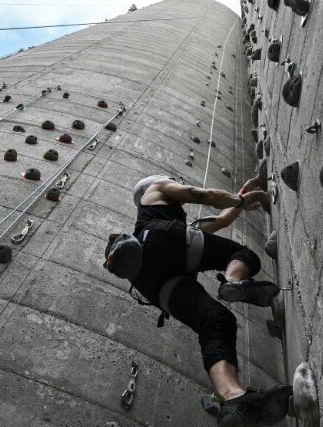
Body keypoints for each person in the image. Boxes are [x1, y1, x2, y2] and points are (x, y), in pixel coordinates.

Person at [103, 174, 292, 426]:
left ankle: (233, 399)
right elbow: (204, 195)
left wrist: (240, 196)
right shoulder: (157, 188)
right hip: (164, 240)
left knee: (216, 321)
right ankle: (233, 281)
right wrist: (238, 201)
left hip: (152, 285)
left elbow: (221, 220)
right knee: (241, 254)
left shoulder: (165, 222)